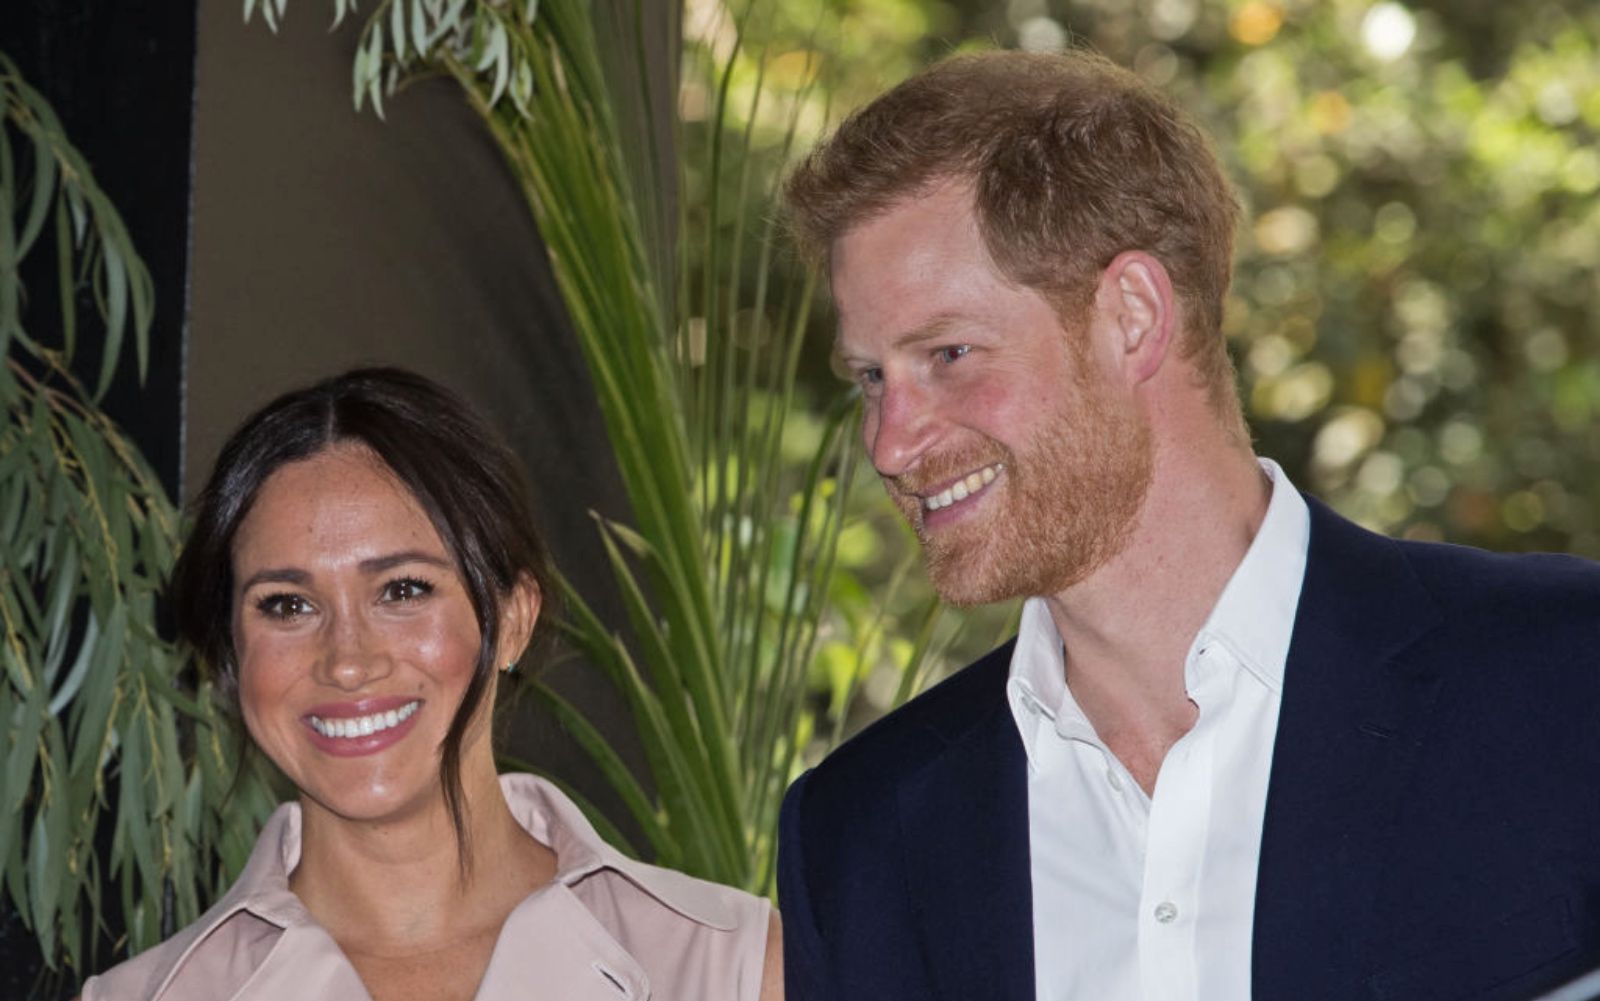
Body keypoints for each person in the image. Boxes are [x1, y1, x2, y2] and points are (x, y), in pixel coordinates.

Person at [775, 49, 1600, 1001]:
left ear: (1132, 315)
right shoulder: (860, 835)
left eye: (949, 354)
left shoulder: (1563, 681)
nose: (888, 443)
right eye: (872, 377)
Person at [80, 368, 782, 1001]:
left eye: (403, 589)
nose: (347, 661)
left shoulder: (732, 967)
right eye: (287, 604)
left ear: (513, 618)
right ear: (230, 649)